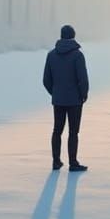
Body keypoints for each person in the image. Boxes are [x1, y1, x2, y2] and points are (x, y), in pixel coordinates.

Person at [42, 24, 89, 172]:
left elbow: (46, 80)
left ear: (61, 36)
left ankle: (56, 162)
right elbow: (83, 79)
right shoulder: (78, 55)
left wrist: (55, 93)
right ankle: (73, 163)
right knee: (73, 132)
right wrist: (83, 95)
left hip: (58, 100)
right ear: (73, 36)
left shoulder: (51, 55)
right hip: (75, 101)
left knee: (57, 130)